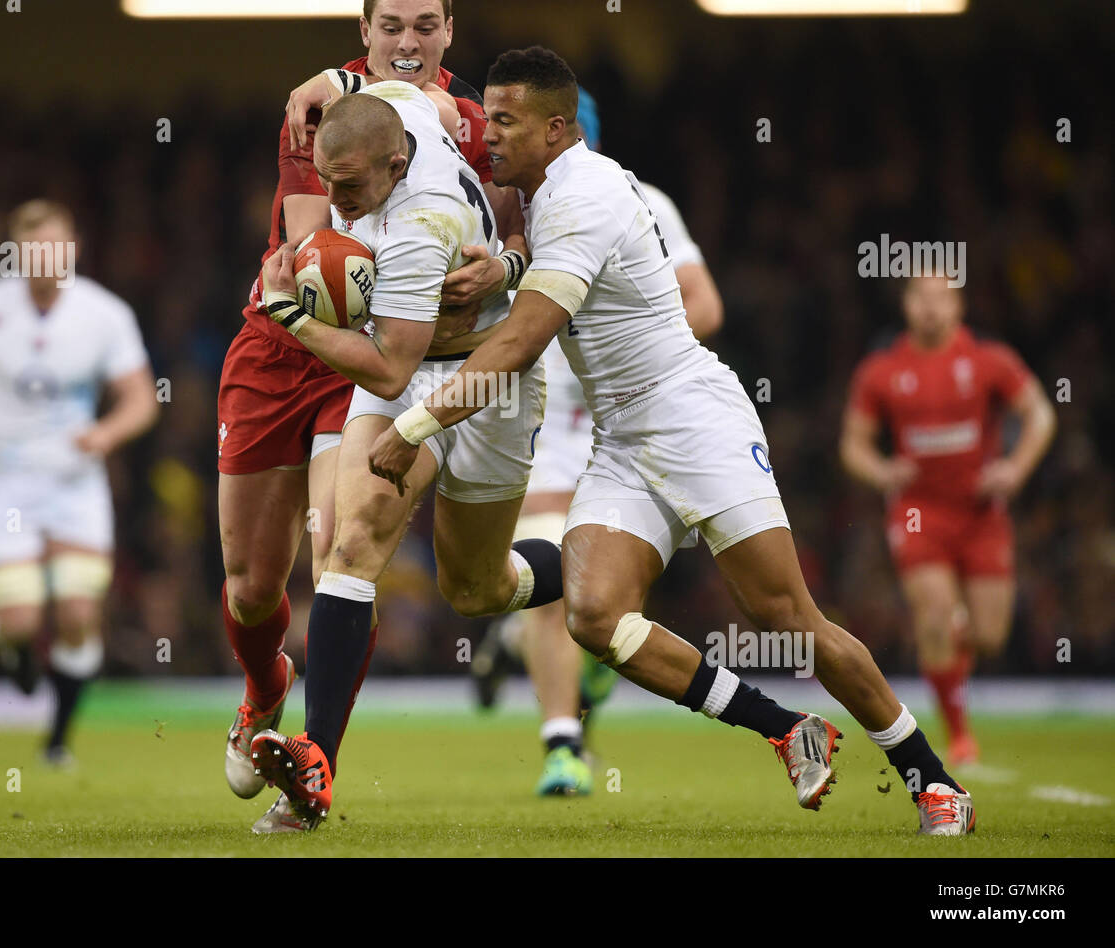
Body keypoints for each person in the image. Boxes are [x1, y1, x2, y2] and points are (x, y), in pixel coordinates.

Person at [368, 46, 976, 834]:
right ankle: (789, 730)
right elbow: (528, 260)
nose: (490, 134)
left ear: (557, 129)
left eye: (507, 121)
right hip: (623, 433)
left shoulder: (583, 195)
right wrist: (508, 263)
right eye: (489, 116)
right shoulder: (546, 190)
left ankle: (931, 779)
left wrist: (412, 424)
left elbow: (519, 343)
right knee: (594, 613)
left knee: (785, 616)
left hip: (691, 416)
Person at [218, 0, 517, 810]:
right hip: (280, 345)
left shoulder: (472, 120)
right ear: (365, 33)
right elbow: (318, 259)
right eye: (392, 27)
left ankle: (313, 769)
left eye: (425, 26)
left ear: (449, 32)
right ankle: (264, 689)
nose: (409, 42)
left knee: (343, 552)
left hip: (373, 359)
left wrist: (501, 266)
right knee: (249, 583)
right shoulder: (321, 111)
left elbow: (517, 219)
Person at [247, 80, 561, 833]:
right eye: (327, 184)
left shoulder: (422, 223)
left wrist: (288, 312)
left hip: (484, 380)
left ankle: (590, 564)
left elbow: (387, 366)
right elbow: (427, 95)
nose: (339, 204)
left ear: (395, 165)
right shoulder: (405, 110)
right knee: (349, 544)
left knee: (478, 590)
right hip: (409, 369)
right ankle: (315, 763)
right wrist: (327, 84)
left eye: (352, 188)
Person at [472, 87, 726, 796]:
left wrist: (624, 343)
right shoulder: (502, 212)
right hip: (547, 426)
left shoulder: (638, 200)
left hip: (628, 421)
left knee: (608, 610)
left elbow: (704, 304)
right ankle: (562, 745)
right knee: (561, 586)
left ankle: (524, 648)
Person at [0, 198, 157, 764]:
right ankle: (16, 649)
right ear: (16, 252)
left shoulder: (104, 314)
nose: (46, 257)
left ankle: (56, 739)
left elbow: (140, 399)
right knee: (20, 621)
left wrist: (106, 434)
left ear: (73, 247)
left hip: (76, 484)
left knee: (79, 614)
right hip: (7, 484)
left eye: (56, 245)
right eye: (34, 247)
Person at [841, 275, 1056, 763]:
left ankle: (951, 636)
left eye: (942, 298)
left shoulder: (989, 361)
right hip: (918, 512)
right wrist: (883, 470)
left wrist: (1015, 468)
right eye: (921, 298)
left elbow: (1041, 413)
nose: (931, 309)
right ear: (906, 306)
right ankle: (959, 735)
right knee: (934, 613)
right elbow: (853, 446)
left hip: (982, 514)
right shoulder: (882, 371)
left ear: (959, 306)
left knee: (989, 635)